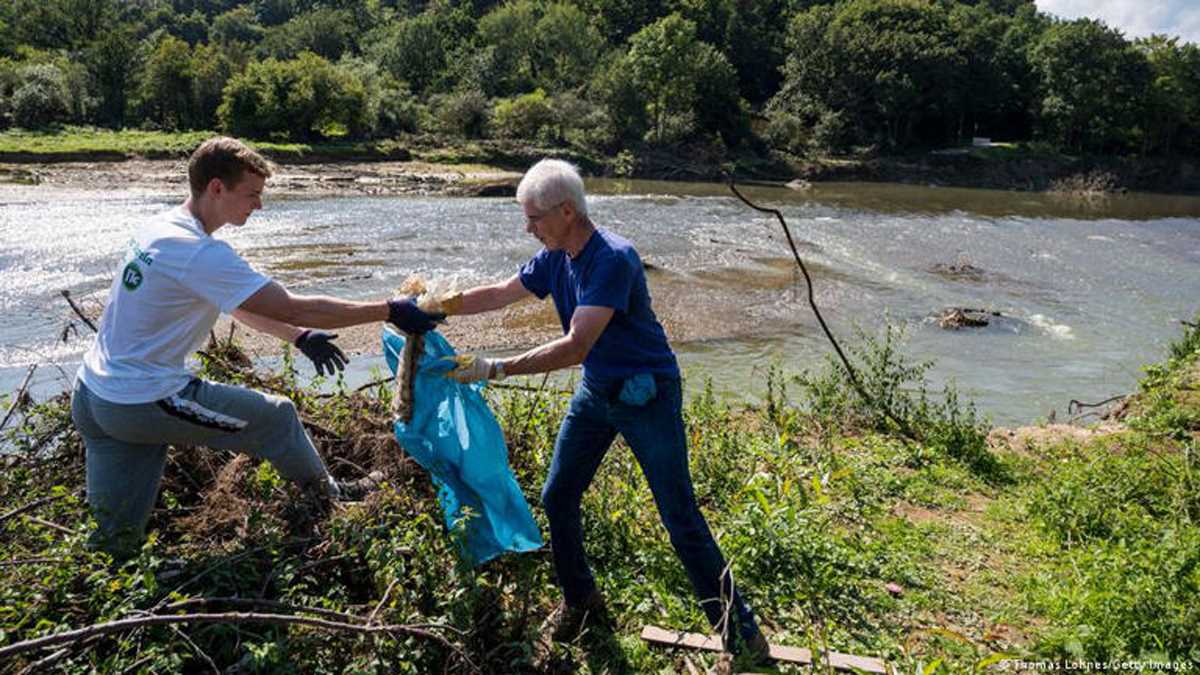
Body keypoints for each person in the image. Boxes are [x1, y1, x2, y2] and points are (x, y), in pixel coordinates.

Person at [438, 159, 768, 658]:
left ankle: (743, 638)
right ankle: (582, 600)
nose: (528, 228)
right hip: (597, 393)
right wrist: (439, 305)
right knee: (558, 496)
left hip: (646, 394)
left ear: (567, 211)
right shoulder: (555, 256)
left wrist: (496, 368)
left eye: (534, 218)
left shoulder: (612, 258)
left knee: (679, 517)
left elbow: (576, 346)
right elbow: (501, 293)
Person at [70, 137, 442, 558]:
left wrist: (297, 336)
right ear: (216, 188)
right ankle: (332, 502)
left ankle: (106, 583)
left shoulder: (162, 227)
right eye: (252, 194)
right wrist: (388, 310)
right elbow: (293, 306)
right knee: (276, 418)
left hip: (94, 396)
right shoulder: (198, 252)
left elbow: (238, 304)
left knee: (114, 542)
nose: (259, 205)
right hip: (142, 399)